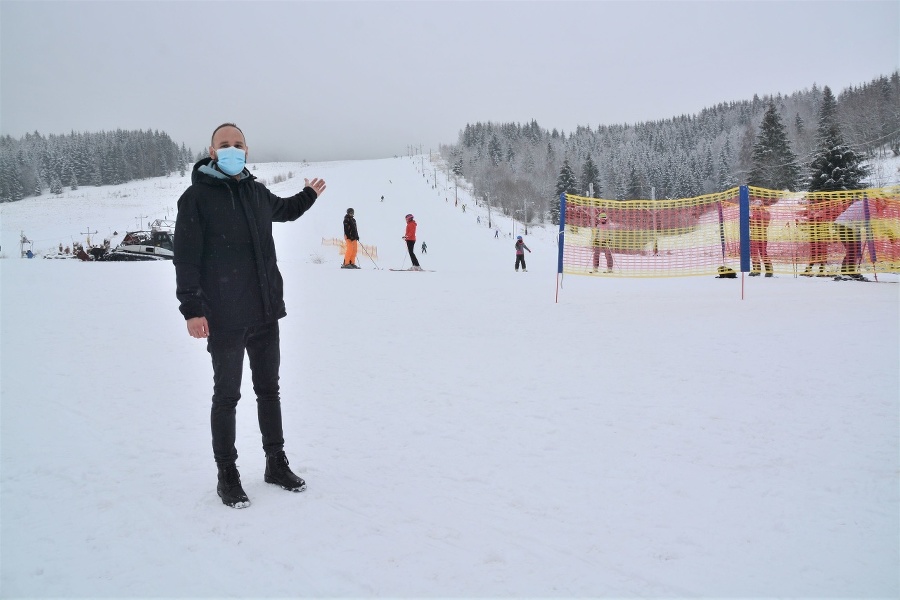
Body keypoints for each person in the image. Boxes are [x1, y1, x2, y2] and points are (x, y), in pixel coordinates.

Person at [173, 123, 327, 509]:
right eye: (224, 145)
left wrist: (308, 194)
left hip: (264, 312)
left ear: (246, 150)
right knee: (226, 396)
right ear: (211, 152)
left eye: (237, 144)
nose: (231, 149)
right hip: (223, 316)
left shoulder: (256, 192)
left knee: (269, 391)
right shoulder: (195, 198)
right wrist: (192, 309)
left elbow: (287, 210)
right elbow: (186, 258)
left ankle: (276, 463)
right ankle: (228, 474)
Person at [833, 199, 866, 279]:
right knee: (852, 249)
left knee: (854, 249)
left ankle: (849, 271)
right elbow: (875, 222)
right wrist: (890, 235)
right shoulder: (871, 206)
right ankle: (846, 272)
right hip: (845, 225)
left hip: (850, 226)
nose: (884, 206)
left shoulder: (866, 203)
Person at [749, 199, 773, 277]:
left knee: (763, 253)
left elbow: (765, 224)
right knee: (753, 253)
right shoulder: (752, 215)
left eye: (757, 207)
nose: (755, 209)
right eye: (754, 208)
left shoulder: (766, 213)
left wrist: (756, 217)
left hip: (762, 236)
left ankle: (769, 270)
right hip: (753, 236)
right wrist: (750, 219)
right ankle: (756, 270)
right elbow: (751, 225)